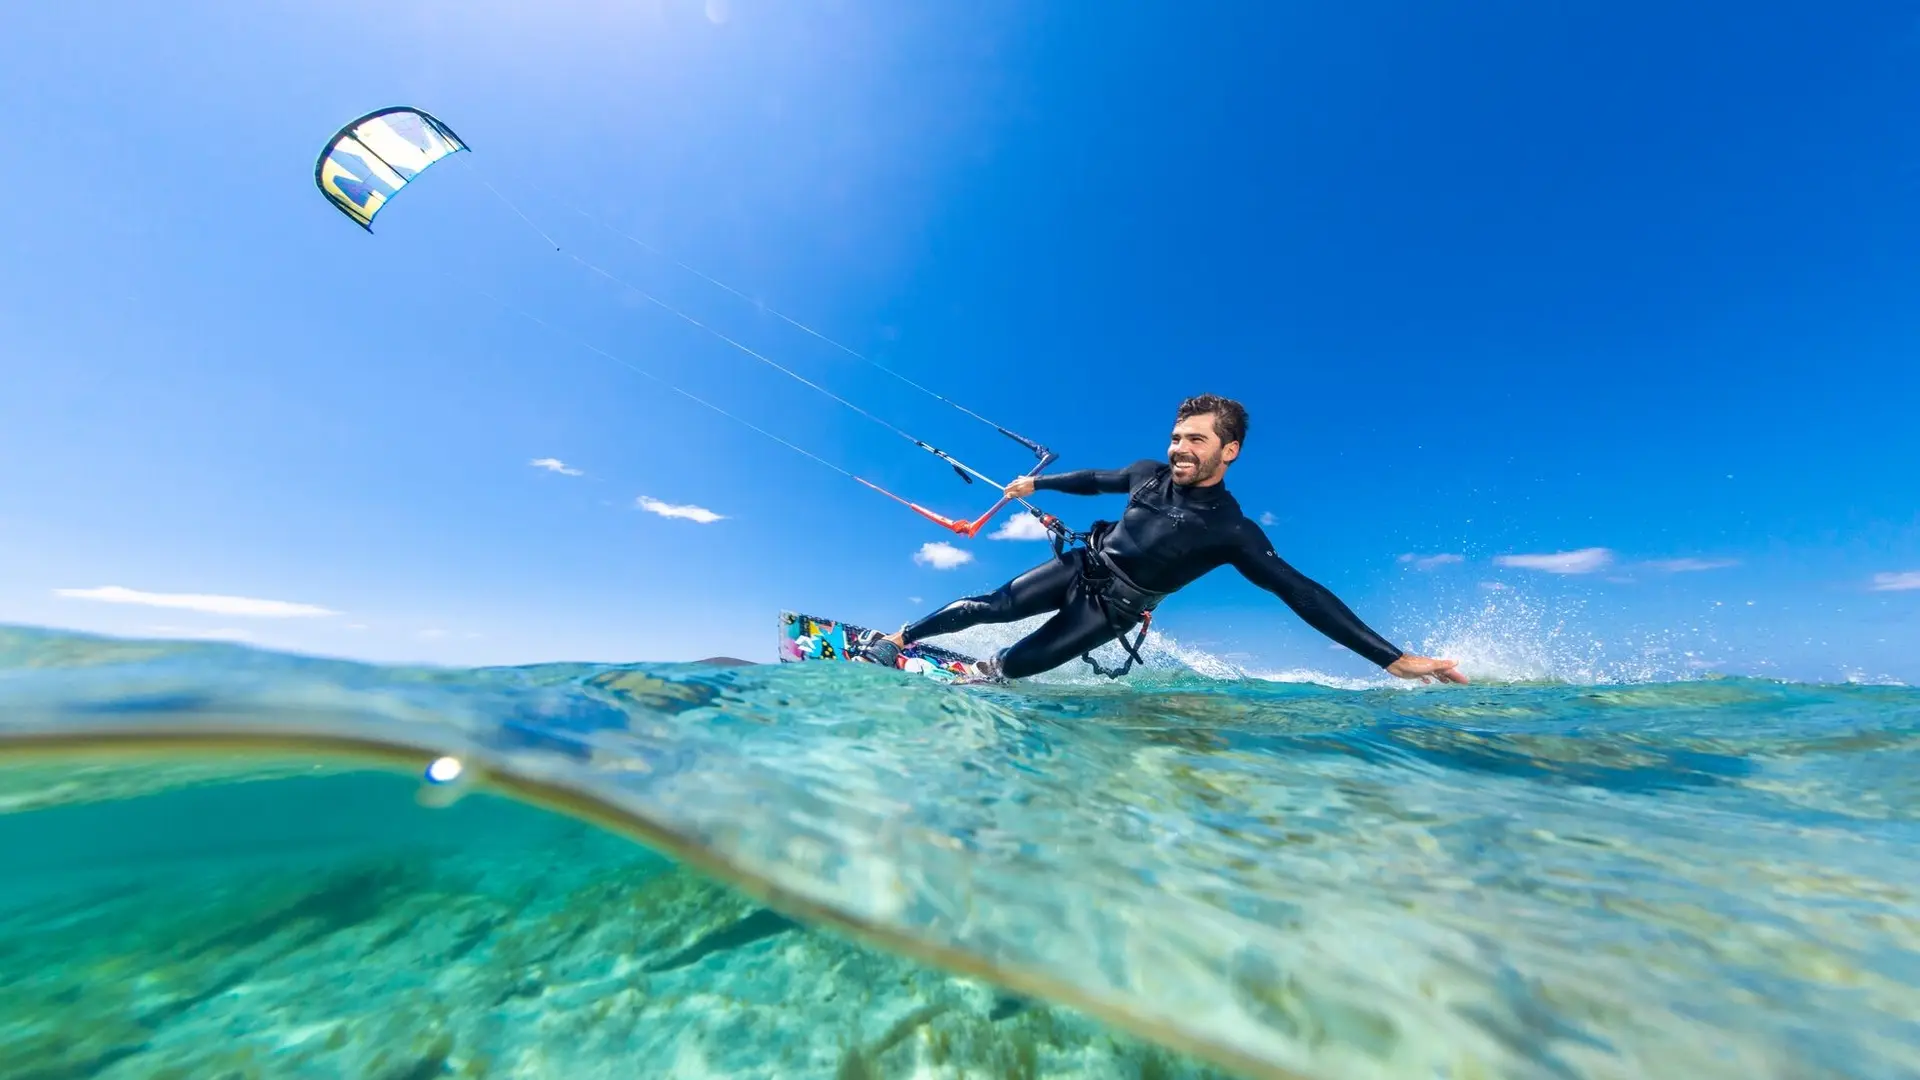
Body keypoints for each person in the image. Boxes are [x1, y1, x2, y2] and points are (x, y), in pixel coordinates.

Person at [878, 394, 1467, 684]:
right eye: (1177, 436)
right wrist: (1040, 481)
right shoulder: (1147, 474)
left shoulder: (1230, 530)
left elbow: (1302, 592)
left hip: (1114, 607)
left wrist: (1393, 659)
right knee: (992, 604)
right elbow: (1096, 480)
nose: (1179, 448)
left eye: (1196, 441)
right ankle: (897, 638)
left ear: (1228, 451)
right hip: (1084, 565)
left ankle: (983, 676)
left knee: (1016, 664)